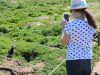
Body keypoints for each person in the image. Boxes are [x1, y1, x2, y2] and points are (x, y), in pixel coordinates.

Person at [61, 0, 97, 75]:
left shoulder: (70, 25)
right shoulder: (91, 24)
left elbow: (64, 43)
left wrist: (63, 27)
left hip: (73, 60)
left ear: (73, 11)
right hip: (87, 59)